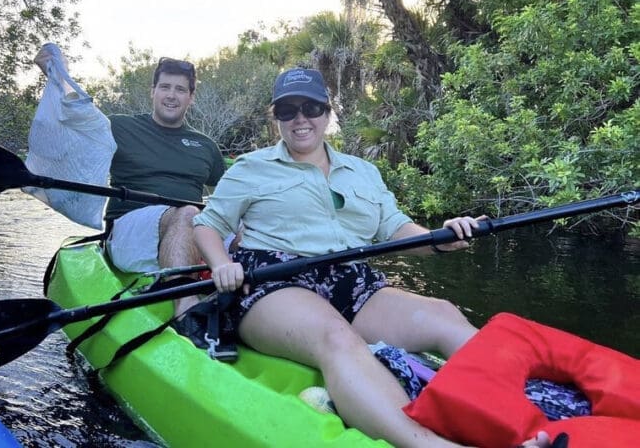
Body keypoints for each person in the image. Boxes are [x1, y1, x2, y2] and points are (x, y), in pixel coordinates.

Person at [192, 68, 553, 448]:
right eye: (287, 110)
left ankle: (533, 418)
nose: (300, 118)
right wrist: (221, 264)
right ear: (276, 118)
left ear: (327, 113)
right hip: (274, 281)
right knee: (335, 336)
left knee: (443, 313)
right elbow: (207, 225)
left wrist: (440, 239)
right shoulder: (251, 167)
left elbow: (396, 229)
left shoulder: (363, 172)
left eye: (311, 106)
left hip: (352, 282)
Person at [35, 45, 225, 317]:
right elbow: (77, 112)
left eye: (181, 89)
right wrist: (55, 72)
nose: (171, 95)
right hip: (131, 233)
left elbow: (231, 195)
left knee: (242, 222)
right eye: (165, 87)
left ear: (191, 97)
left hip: (191, 230)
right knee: (188, 213)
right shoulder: (120, 127)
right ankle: (187, 312)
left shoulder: (205, 145)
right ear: (153, 91)